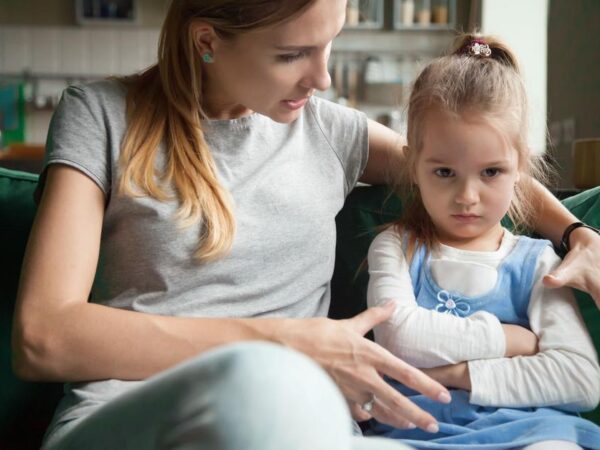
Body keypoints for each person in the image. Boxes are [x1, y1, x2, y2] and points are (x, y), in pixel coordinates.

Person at [9, 0, 600, 447]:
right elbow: (43, 336)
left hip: (304, 423)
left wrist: (574, 233)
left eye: (329, 46)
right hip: (137, 417)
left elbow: (475, 165)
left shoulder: (329, 131)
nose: (322, 79)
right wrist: (286, 343)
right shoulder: (102, 116)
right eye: (291, 54)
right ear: (207, 41)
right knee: (263, 386)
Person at [365, 34, 600, 450]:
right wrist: (512, 342)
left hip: (529, 432)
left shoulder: (539, 263)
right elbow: (400, 337)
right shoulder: (395, 247)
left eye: (491, 172)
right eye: (444, 173)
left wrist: (456, 374)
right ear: (413, 166)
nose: (467, 196)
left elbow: (580, 379)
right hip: (412, 430)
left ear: (519, 168)